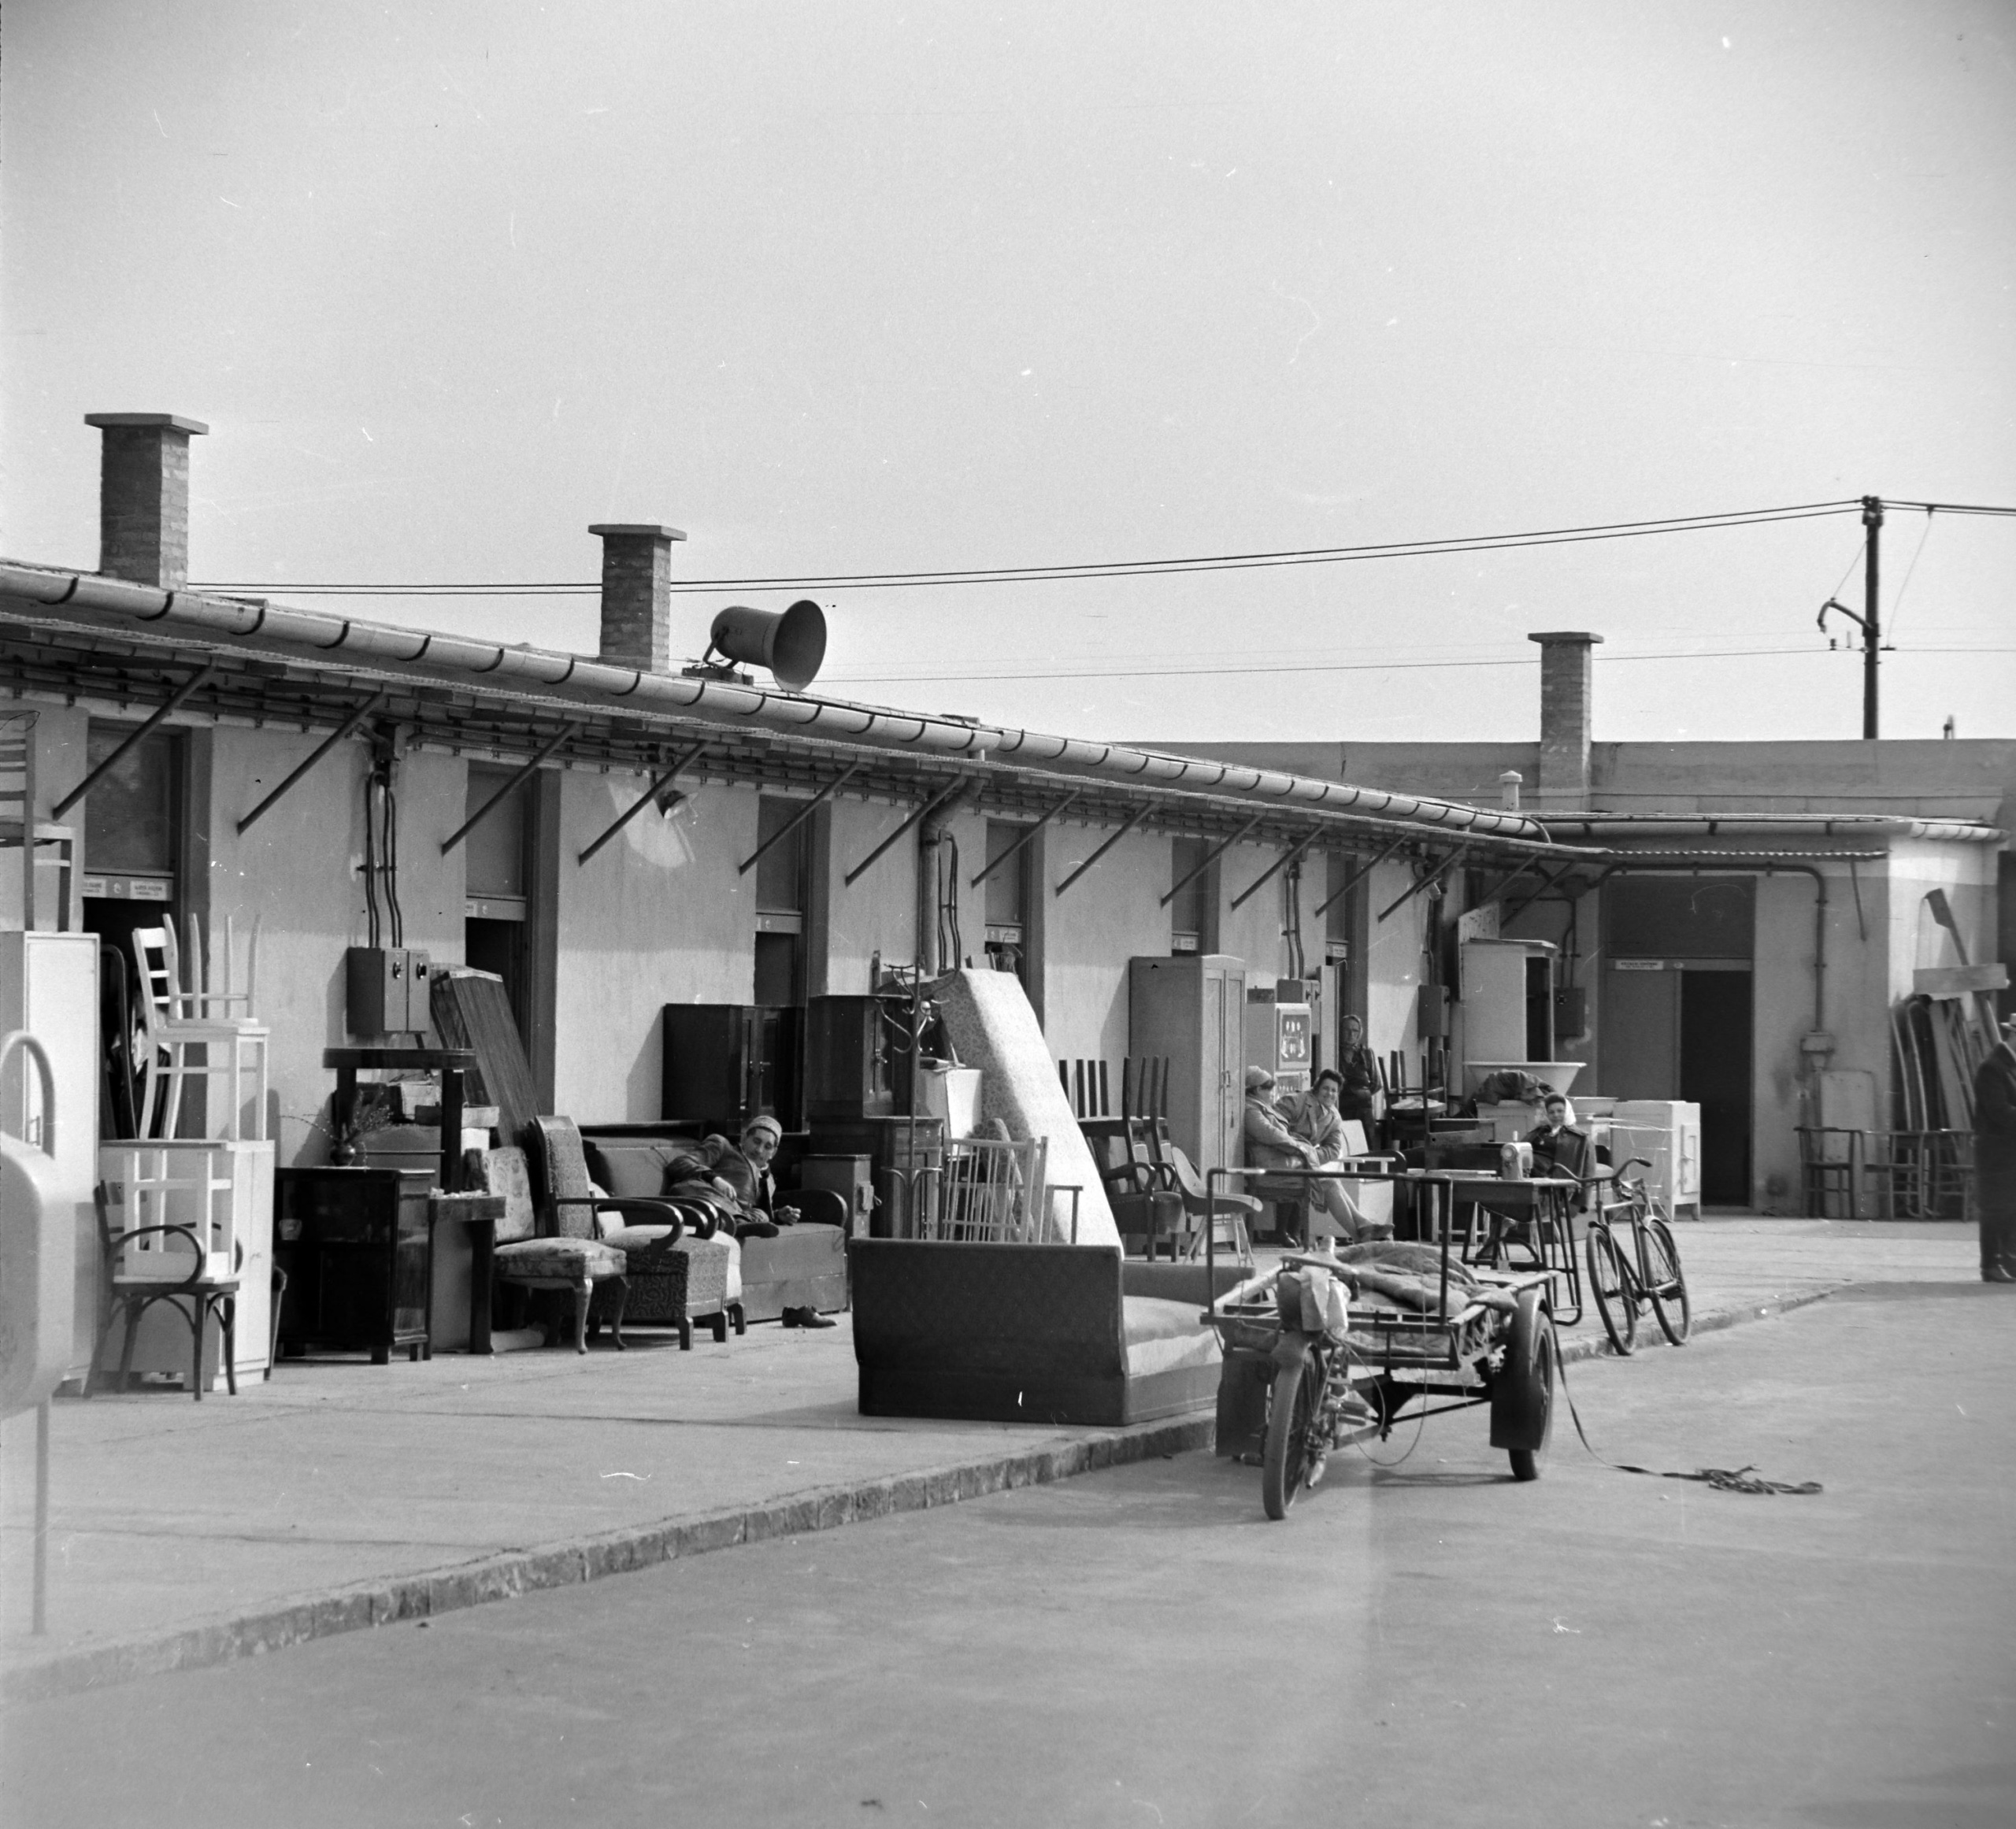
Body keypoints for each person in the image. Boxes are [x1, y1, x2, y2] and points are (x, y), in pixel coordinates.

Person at [668, 1116, 839, 1327]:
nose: (759, 1150)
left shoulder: (767, 1179)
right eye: (756, 1142)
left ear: (774, 1152)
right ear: (744, 1138)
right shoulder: (722, 1145)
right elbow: (680, 1164)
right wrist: (715, 1179)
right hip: (700, 1200)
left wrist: (778, 1215)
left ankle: (737, 1223)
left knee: (761, 1215)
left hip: (733, 1213)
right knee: (698, 1192)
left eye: (767, 1147)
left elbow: (756, 1208)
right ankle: (736, 1222)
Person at [1243, 1064, 1370, 1246]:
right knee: (1329, 1183)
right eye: (1269, 1089)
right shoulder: (1253, 1110)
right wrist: (1303, 1150)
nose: (1273, 1094)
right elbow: (1273, 1135)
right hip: (1271, 1169)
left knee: (1330, 1181)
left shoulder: (1261, 1108)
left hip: (1285, 1163)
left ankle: (1363, 1228)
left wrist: (1307, 1153)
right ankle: (1360, 1234)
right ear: (1257, 1090)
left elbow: (1333, 1147)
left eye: (1334, 1091)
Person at [1972, 1016, 2016, 1283]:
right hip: (1996, 1153)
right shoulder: (1992, 1068)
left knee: (2011, 1209)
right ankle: (1990, 1265)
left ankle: (2009, 1262)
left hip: (2008, 1151)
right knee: (1996, 1210)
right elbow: (1999, 1111)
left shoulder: (2008, 1066)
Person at [1335, 1015, 1383, 1135]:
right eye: (1347, 1030)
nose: (1351, 1034)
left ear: (1359, 1033)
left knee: (1366, 1140)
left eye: (1355, 1031)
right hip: (1342, 1106)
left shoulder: (1366, 1054)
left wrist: (1362, 1095)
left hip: (1363, 1109)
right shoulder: (1334, 1052)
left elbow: (1377, 1083)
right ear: (1340, 1031)